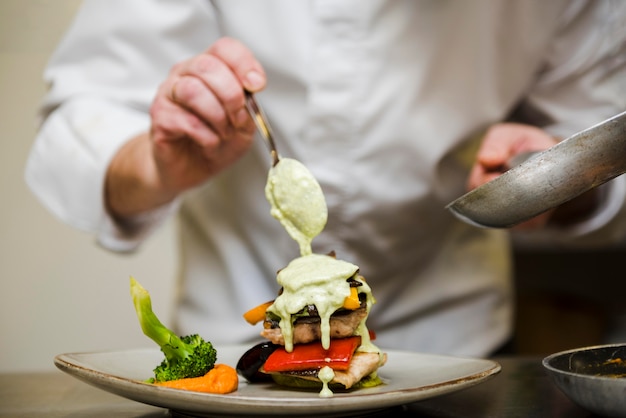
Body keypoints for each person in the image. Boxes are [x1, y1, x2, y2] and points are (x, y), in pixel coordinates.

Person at [25, 0, 626, 357]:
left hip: (453, 341)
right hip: (235, 342)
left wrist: (547, 179)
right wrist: (157, 163)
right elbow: (81, 124)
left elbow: (603, 139)